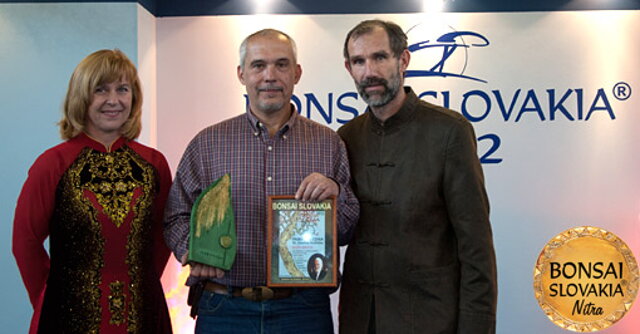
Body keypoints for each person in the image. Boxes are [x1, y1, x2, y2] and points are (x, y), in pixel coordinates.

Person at [163, 29, 359, 334]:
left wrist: (335, 196)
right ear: (242, 74)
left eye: (281, 65)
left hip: (302, 309)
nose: (270, 75)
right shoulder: (207, 143)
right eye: (258, 65)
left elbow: (347, 229)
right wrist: (193, 252)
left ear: (297, 73)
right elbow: (175, 216)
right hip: (223, 307)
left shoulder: (328, 144)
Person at [337, 20, 498, 334]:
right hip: (360, 320)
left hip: (430, 319)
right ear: (349, 68)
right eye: (359, 61)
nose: (369, 71)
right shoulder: (346, 137)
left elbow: (475, 248)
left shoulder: (450, 132)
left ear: (403, 60)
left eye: (380, 57)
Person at [12, 49, 173, 334]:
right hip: (66, 313)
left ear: (134, 97)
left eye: (122, 89)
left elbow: (162, 236)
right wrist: (49, 296)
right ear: (81, 97)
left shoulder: (154, 163)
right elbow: (25, 242)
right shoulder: (53, 163)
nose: (113, 100)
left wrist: (142, 284)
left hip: (143, 311)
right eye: (101, 90)